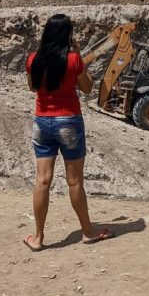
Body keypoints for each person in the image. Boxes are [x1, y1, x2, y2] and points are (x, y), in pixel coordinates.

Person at [23, 13, 112, 252]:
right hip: (69, 122)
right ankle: (89, 232)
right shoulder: (73, 60)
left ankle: (39, 237)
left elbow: (33, 87)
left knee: (42, 180)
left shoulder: (33, 59)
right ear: (67, 35)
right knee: (74, 182)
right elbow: (87, 87)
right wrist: (78, 56)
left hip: (42, 122)